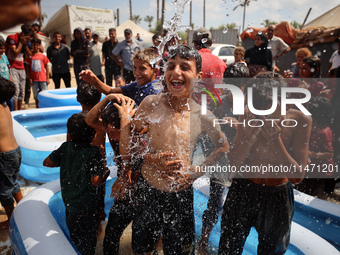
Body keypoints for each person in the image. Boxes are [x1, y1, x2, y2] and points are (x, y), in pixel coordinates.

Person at [117, 45, 229, 254]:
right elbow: (132, 142)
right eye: (171, 66)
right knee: (142, 248)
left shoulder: (202, 116)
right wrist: (150, 158)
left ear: (198, 75)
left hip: (181, 197)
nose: (176, 72)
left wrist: (197, 172)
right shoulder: (151, 104)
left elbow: (223, 146)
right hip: (148, 191)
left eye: (185, 67)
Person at [218, 73, 312, 255]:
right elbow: (232, 166)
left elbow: (297, 176)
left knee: (272, 252)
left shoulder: (300, 120)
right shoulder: (247, 114)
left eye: (269, 108)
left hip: (277, 196)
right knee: (227, 249)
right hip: (243, 190)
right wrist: (248, 139)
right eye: (258, 108)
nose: (263, 114)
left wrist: (275, 141)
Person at [198, 62, 250, 253]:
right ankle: (203, 241)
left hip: (243, 163)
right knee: (214, 203)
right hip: (222, 161)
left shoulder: (252, 106)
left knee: (237, 210)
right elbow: (207, 134)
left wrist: (239, 125)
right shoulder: (219, 105)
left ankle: (230, 245)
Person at [43, 112, 110, 255]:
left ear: (69, 133)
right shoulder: (93, 152)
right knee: (88, 244)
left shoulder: (65, 148)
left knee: (75, 238)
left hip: (70, 206)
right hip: (87, 208)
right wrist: (106, 173)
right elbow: (95, 181)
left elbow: (47, 162)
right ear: (93, 133)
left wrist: (65, 162)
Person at [85, 93, 138, 255]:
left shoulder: (138, 130)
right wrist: (107, 99)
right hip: (124, 190)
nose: (112, 137)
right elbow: (90, 121)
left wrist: (127, 120)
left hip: (144, 192)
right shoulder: (111, 128)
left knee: (142, 242)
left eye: (115, 132)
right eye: (109, 132)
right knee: (110, 239)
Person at [76, 81, 108, 234]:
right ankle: (98, 229)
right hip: (98, 166)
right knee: (98, 201)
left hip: (81, 167)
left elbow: (69, 145)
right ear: (99, 100)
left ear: (77, 99)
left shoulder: (74, 121)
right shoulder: (103, 121)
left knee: (83, 201)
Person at [80, 48, 160, 106]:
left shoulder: (156, 91)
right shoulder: (136, 86)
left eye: (142, 68)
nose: (137, 72)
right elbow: (110, 91)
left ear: (155, 71)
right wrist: (94, 81)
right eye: (135, 67)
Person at [296, 96, 335, 195]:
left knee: (310, 193)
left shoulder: (324, 132)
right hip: (313, 168)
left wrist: (311, 154)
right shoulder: (313, 125)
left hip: (323, 171)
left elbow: (330, 154)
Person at [0, 76, 23, 229]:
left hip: (4, 156)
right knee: (13, 184)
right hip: (15, 151)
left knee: (3, 191)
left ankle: (11, 219)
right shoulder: (5, 105)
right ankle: (24, 209)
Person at [191, 27, 227, 103]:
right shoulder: (221, 63)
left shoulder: (189, 61)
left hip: (194, 108)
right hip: (216, 107)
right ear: (211, 43)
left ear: (194, 43)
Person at [6, 24, 32, 110]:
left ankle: (19, 111)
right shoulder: (12, 38)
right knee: (15, 91)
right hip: (12, 67)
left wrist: (25, 44)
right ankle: (15, 111)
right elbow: (15, 53)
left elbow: (30, 56)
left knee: (21, 91)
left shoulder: (25, 42)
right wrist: (21, 42)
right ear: (22, 34)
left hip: (21, 68)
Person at [25, 38, 50, 108]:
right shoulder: (29, 56)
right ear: (31, 45)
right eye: (34, 45)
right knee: (36, 95)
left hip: (43, 79)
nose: (35, 46)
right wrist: (29, 78)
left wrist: (47, 78)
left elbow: (47, 68)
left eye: (37, 45)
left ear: (39, 46)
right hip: (34, 79)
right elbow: (27, 68)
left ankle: (45, 107)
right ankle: (37, 107)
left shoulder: (43, 56)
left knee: (45, 93)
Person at [0, 40, 14, 111]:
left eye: (4, 48)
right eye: (1, 48)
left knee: (10, 103)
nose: (3, 50)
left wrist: (10, 78)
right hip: (1, 85)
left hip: (7, 83)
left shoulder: (4, 57)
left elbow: (7, 69)